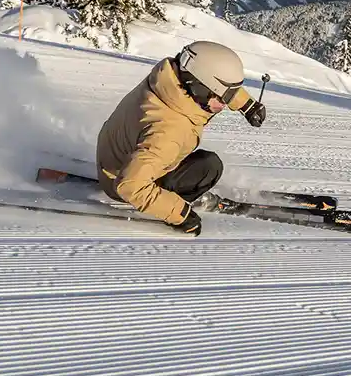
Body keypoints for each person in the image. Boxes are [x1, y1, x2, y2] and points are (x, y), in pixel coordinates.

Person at [97, 40, 267, 235]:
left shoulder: (171, 80)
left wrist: (247, 105)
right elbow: (129, 185)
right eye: (222, 98)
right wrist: (179, 213)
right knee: (208, 167)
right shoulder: (169, 132)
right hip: (123, 180)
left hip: (116, 153)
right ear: (199, 88)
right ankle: (171, 198)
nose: (224, 105)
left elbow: (212, 78)